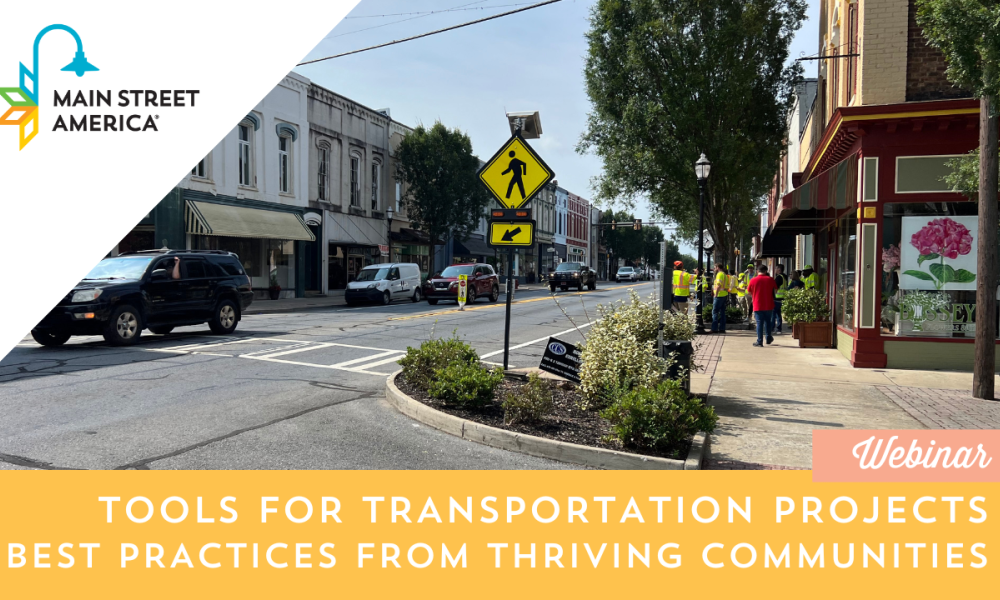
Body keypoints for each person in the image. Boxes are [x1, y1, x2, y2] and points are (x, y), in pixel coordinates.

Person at [747, 264, 777, 347]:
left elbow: (749, 292)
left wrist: (755, 295)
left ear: (757, 271)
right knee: (768, 322)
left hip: (757, 304)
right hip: (769, 304)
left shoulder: (753, 280)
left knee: (759, 323)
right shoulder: (770, 279)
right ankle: (768, 338)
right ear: (766, 271)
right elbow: (775, 291)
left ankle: (759, 341)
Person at [711, 264, 729, 333]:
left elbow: (718, 285)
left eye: (715, 267)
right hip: (724, 295)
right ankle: (722, 328)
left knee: (715, 312)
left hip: (719, 295)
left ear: (718, 268)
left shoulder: (719, 274)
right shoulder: (725, 275)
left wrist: (716, 294)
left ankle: (714, 328)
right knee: (722, 312)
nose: (714, 269)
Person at [772, 264, 789, 334]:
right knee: (778, 314)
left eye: (776, 268)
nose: (775, 270)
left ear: (779, 269)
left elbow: (775, 287)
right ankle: (779, 328)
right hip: (783, 298)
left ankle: (772, 328)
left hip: (777, 298)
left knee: (773, 314)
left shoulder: (779, 277)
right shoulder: (785, 276)